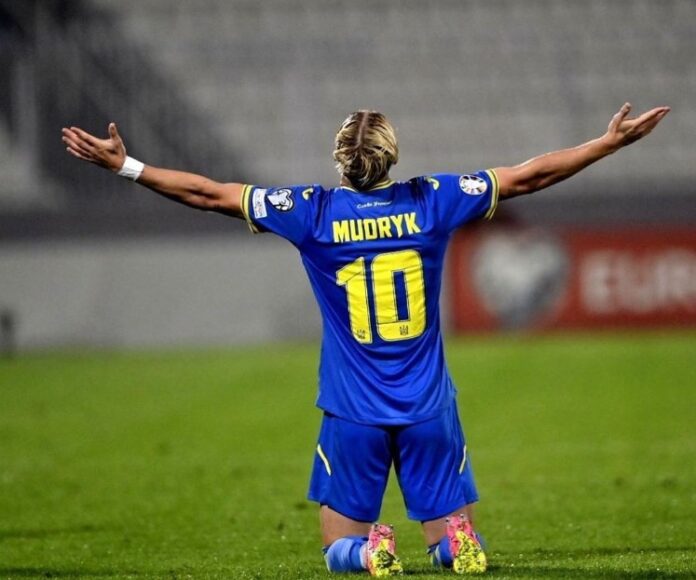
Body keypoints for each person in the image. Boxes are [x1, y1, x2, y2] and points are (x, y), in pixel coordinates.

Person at [62, 103, 669, 576]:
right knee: (452, 539)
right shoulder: (433, 200)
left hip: (353, 411)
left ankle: (368, 551)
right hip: (428, 408)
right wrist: (606, 143)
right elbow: (528, 179)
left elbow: (208, 194)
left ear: (339, 161)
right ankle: (454, 546)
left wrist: (126, 166)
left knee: (337, 550)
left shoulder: (312, 212)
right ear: (392, 156)